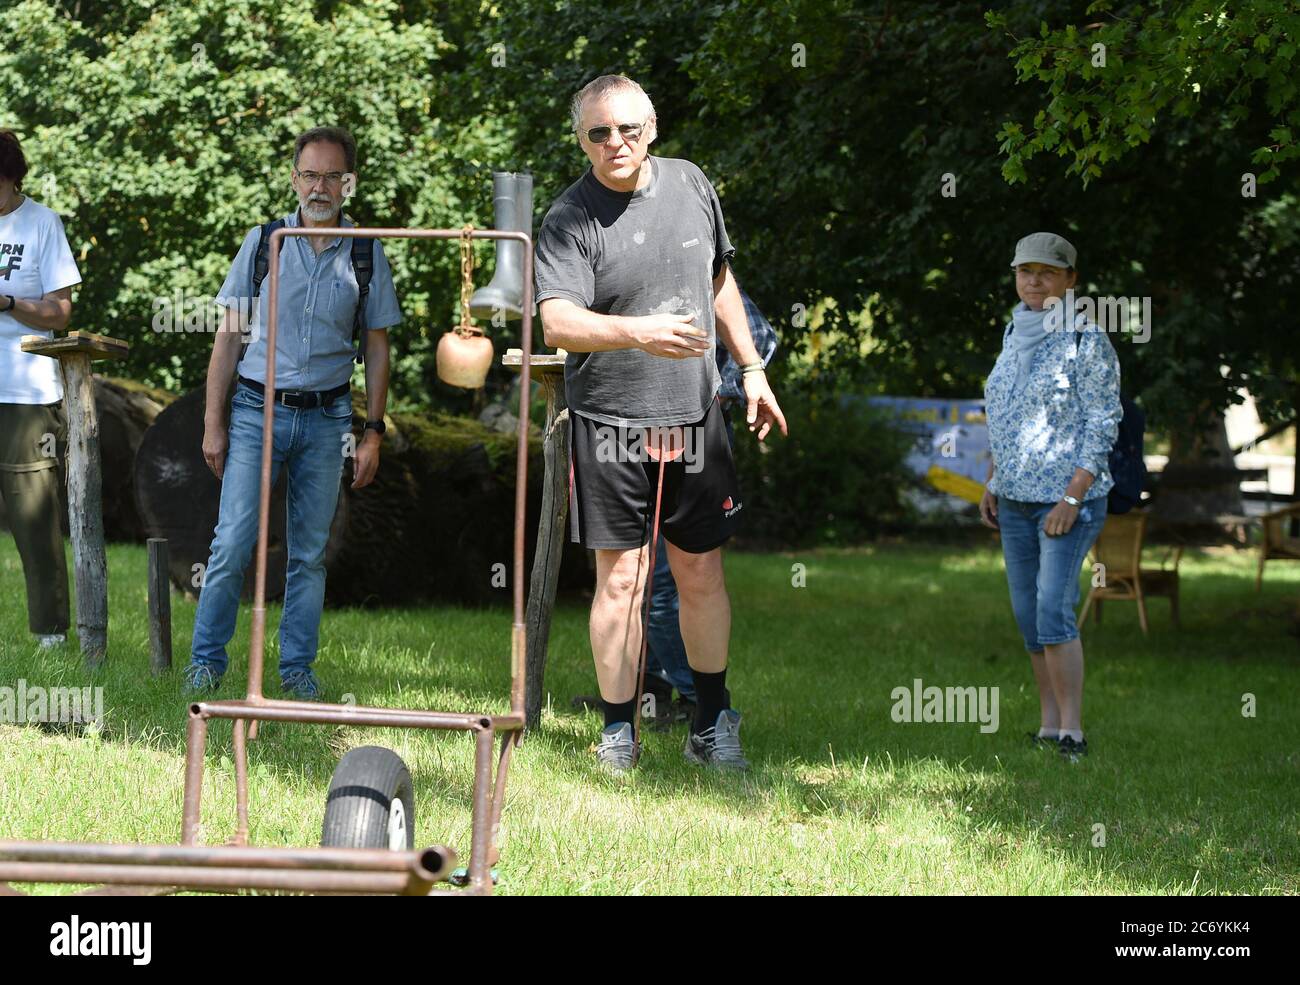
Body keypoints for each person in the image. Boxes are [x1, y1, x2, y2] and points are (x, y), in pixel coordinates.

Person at [534, 74, 787, 773]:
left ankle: (712, 722)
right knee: (621, 581)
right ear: (581, 138)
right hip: (611, 420)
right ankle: (619, 733)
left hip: (696, 412)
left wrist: (753, 367)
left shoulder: (691, 184)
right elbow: (557, 320)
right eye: (599, 133)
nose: (616, 143)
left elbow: (719, 281)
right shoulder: (568, 216)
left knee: (701, 571)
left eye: (628, 129)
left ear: (652, 126)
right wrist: (638, 332)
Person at [183, 126, 401, 699]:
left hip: (330, 419)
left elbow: (377, 347)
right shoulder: (263, 243)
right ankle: (205, 664)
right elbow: (227, 338)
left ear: (349, 183)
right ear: (294, 179)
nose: (320, 186)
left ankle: (296, 672)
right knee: (231, 542)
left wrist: (372, 430)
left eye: (332, 175)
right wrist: (214, 424)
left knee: (309, 554)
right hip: (257, 410)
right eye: (310, 174)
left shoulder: (366, 249)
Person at [979, 232, 1121, 762]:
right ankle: (1047, 725)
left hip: (1067, 502)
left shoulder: (1087, 340)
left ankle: (1074, 733)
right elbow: (1008, 417)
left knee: (1052, 609)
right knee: (1026, 614)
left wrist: (1073, 497)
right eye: (1025, 271)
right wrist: (992, 482)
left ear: (1070, 280)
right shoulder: (1012, 334)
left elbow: (1104, 421)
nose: (1034, 281)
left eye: (1047, 272)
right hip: (1013, 499)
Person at [643, 286, 778, 727]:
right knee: (632, 578)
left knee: (665, 583)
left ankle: (705, 704)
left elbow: (759, 336)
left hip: (695, 439)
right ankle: (657, 686)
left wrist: (718, 392)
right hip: (630, 437)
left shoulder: (700, 277)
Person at [0, 129, 79, 650]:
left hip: (24, 389)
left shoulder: (41, 223)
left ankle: (51, 634)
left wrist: (8, 303)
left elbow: (61, 310)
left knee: (33, 515)